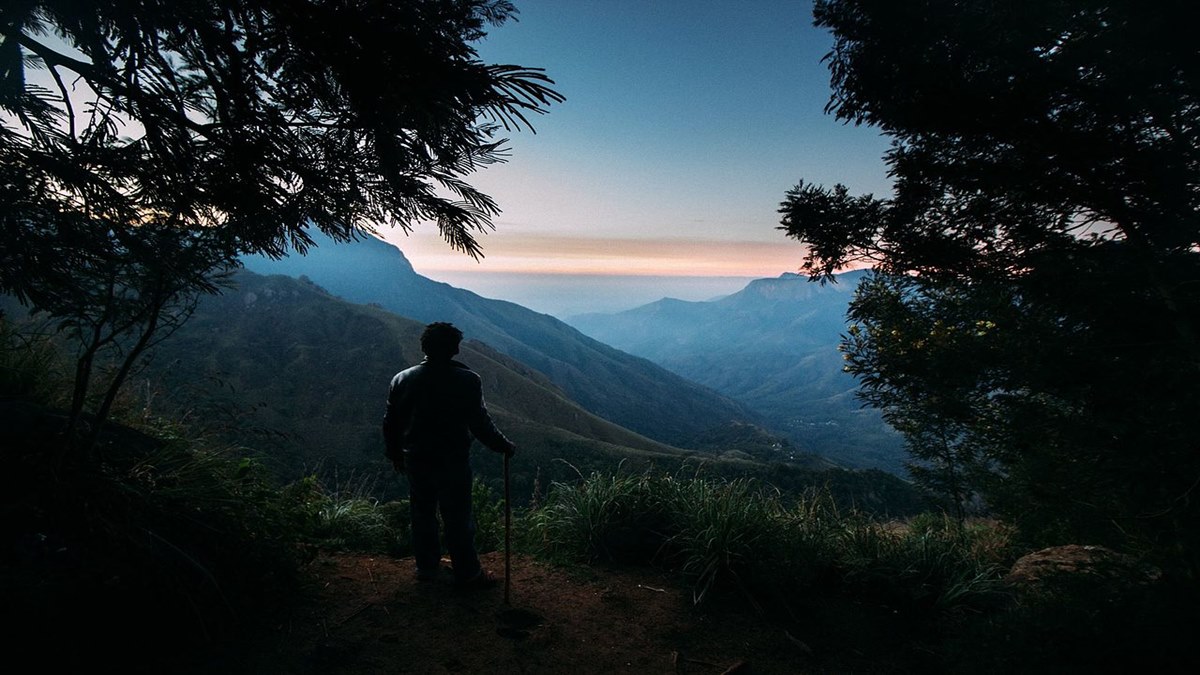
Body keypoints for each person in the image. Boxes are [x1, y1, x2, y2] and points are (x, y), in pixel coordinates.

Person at [383, 322, 515, 588]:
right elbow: (480, 423)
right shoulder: (467, 380)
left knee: (422, 513)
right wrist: (503, 446)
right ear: (454, 348)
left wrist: (396, 454)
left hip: (416, 459)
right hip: (451, 461)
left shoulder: (402, 379)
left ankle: (427, 569)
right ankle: (468, 572)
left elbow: (391, 422)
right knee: (457, 517)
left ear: (424, 347)